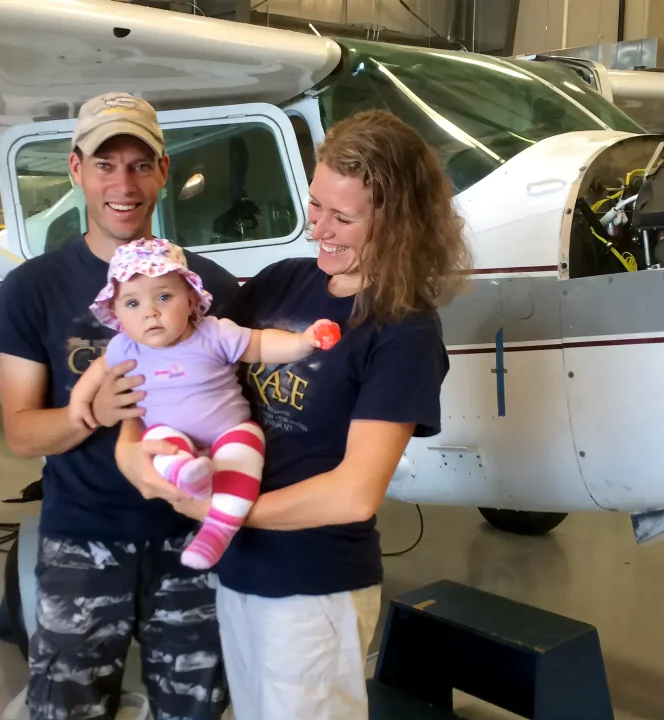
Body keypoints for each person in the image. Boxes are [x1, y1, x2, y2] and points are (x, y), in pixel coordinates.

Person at [117, 108, 472, 719]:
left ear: (399, 222)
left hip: (314, 586)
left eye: (343, 218)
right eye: (315, 205)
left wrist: (223, 512)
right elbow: (174, 359)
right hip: (238, 569)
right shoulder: (282, 282)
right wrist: (131, 446)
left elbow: (354, 494)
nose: (319, 229)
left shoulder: (403, 332)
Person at [0, 92, 239, 720]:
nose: (124, 184)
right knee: (69, 709)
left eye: (141, 165)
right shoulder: (33, 289)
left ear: (163, 172)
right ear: (76, 170)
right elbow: (21, 434)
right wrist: (86, 411)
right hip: (83, 541)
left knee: (195, 709)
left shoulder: (208, 286)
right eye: (104, 165)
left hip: (192, 536)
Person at [68, 236, 340, 570]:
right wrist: (79, 401)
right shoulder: (125, 348)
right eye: (132, 303)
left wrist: (302, 342)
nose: (150, 312)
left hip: (230, 432)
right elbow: (97, 372)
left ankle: (217, 531)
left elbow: (260, 345)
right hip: (171, 436)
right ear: (116, 313)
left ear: (190, 299)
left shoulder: (213, 333)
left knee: (247, 449)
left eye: (164, 297)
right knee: (157, 444)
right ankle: (188, 474)